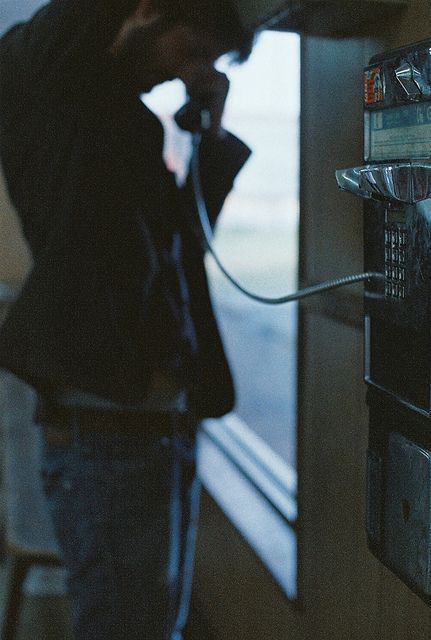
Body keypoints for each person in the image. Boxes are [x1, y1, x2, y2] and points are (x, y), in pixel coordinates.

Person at [0, 1, 255, 638]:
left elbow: (186, 246)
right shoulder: (53, 83)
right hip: (107, 429)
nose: (193, 72)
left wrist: (211, 132)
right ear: (143, 11)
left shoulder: (132, 129)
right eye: (193, 48)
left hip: (154, 426)